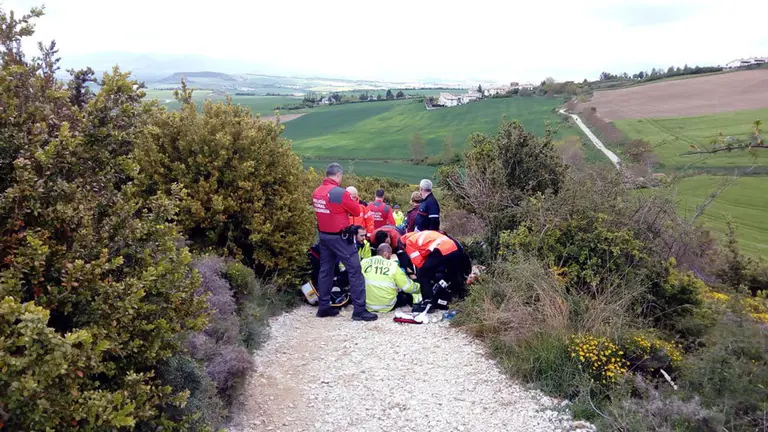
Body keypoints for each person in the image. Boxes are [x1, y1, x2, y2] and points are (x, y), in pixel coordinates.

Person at [311, 163, 377, 321]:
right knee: (355, 270)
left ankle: (324, 307)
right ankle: (359, 310)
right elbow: (355, 210)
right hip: (340, 237)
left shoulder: (317, 192)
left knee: (325, 271)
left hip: (324, 236)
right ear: (338, 175)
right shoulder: (340, 193)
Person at [400, 231, 472, 312]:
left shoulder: (409, 242)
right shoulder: (422, 234)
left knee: (422, 274)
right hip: (454, 248)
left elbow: (419, 264)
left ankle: (427, 303)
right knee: (453, 274)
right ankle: (463, 296)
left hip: (441, 249)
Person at [362, 244, 422, 313]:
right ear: (386, 254)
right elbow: (407, 287)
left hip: (367, 305)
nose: (390, 257)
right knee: (406, 296)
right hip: (387, 305)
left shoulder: (364, 262)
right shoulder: (393, 266)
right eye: (390, 255)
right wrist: (418, 287)